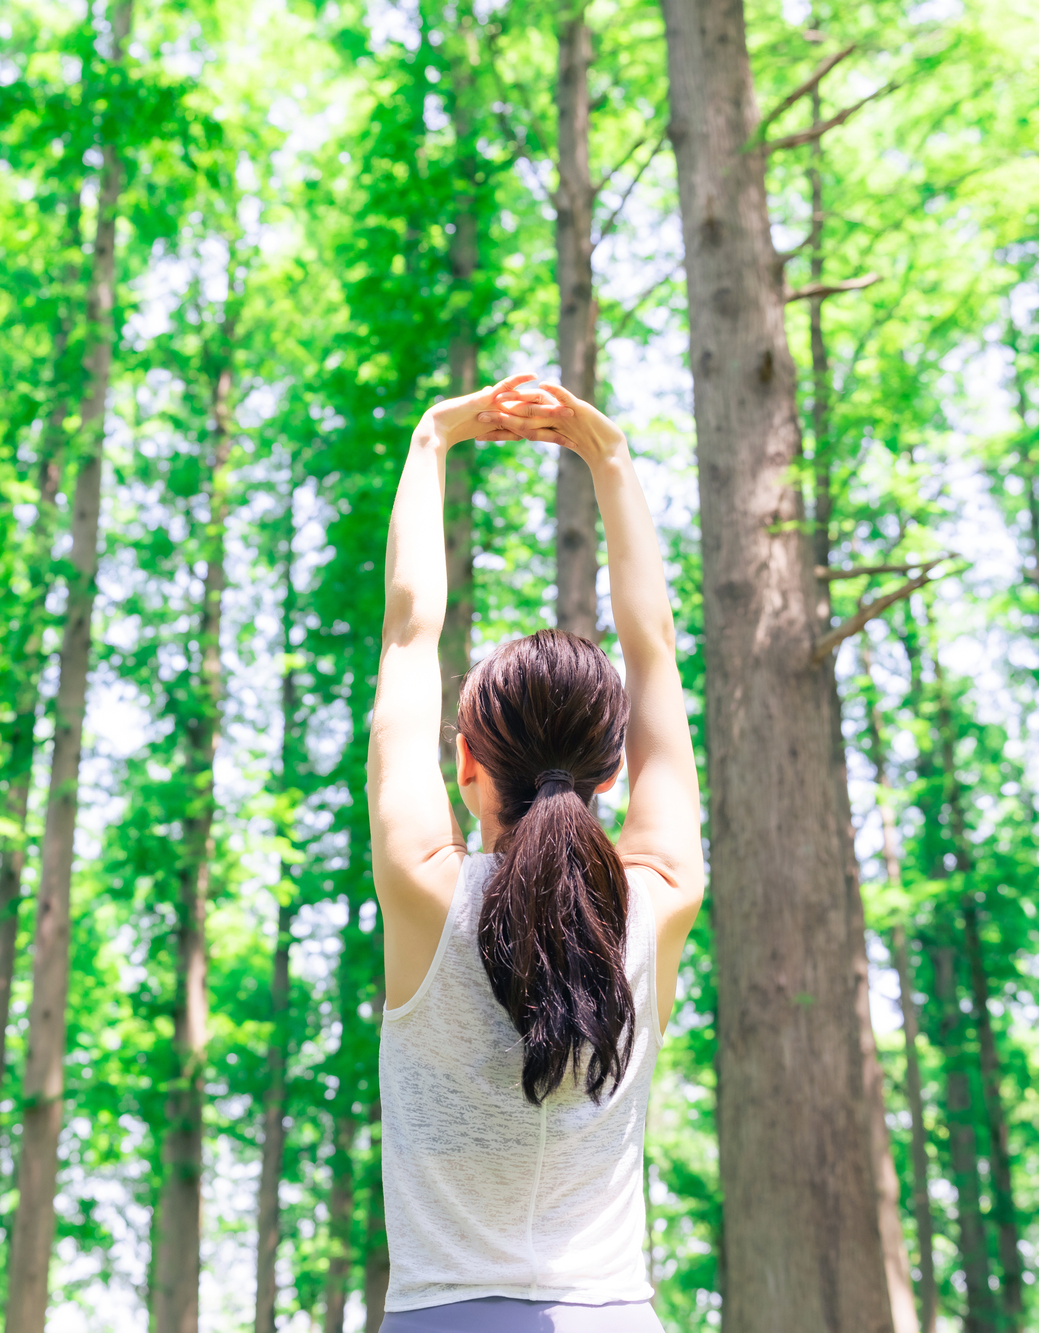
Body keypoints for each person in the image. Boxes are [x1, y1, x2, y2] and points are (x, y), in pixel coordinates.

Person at [367, 374, 705, 1332]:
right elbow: (655, 651)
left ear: (465, 761)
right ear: (610, 776)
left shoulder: (425, 889)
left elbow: (407, 636)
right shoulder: (661, 897)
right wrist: (611, 459)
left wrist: (433, 439)